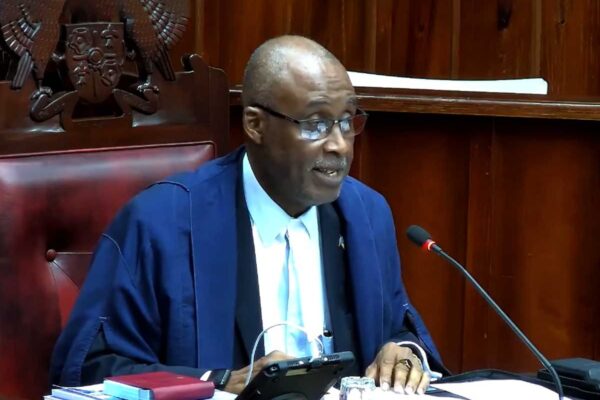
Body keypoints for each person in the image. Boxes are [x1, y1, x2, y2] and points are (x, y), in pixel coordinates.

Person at [50, 35, 447, 395]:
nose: (339, 145)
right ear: (255, 125)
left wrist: (405, 354)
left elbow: (396, 327)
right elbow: (92, 369)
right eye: (316, 125)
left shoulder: (366, 214)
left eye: (346, 121)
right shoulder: (163, 223)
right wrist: (217, 381)